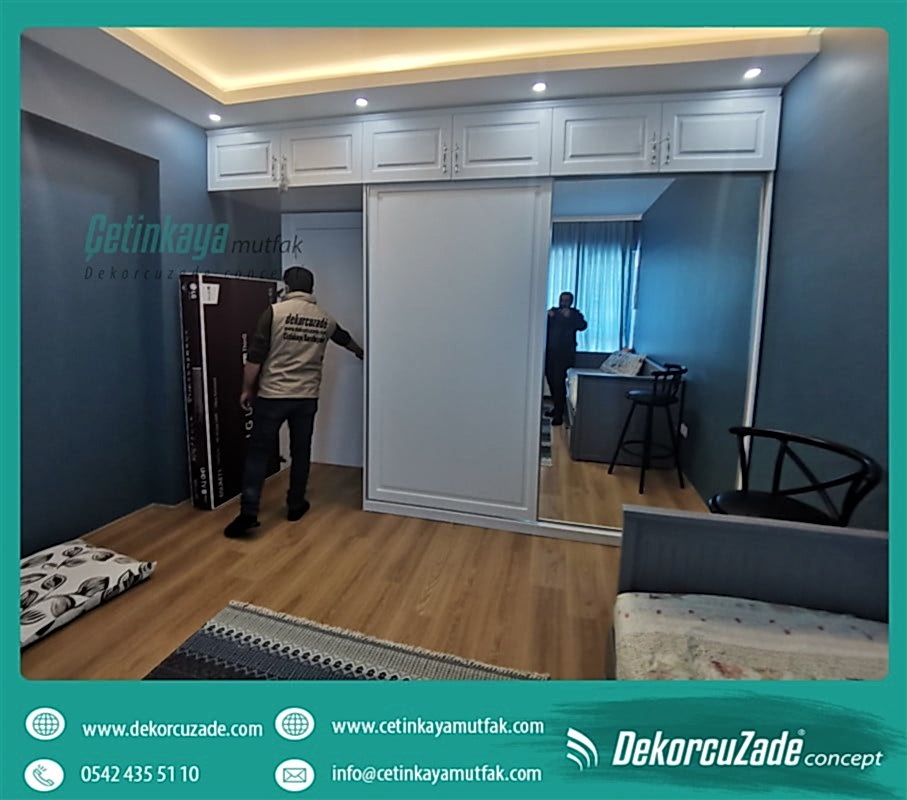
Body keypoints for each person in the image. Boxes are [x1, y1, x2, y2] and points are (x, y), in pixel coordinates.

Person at [224, 266, 363, 538]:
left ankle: (249, 514)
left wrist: (246, 389)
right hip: (306, 397)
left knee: (258, 454)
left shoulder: (274, 313)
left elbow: (255, 357)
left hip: (273, 396)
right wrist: (362, 353)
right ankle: (296, 504)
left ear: (287, 287)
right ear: (311, 288)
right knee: (301, 451)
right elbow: (344, 339)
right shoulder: (324, 318)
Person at [544, 291, 587, 426]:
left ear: (571, 302)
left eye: (567, 300)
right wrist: (547, 316)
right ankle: (556, 407)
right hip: (550, 353)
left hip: (564, 355)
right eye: (562, 300)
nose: (564, 303)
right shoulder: (553, 312)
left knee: (559, 383)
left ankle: (559, 414)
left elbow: (583, 326)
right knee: (551, 380)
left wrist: (570, 317)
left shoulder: (575, 314)